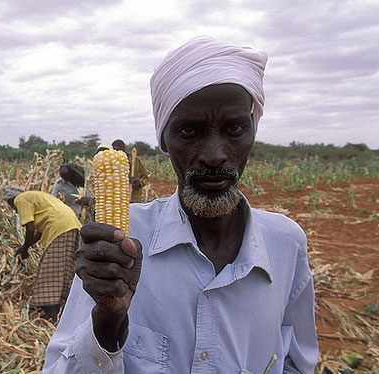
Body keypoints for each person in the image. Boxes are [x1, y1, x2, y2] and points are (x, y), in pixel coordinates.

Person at [44, 36, 319, 373]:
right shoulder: (120, 242)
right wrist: (107, 320)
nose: (215, 155)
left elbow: (297, 364)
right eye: (190, 131)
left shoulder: (286, 245)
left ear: (252, 132)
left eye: (234, 128)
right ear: (165, 140)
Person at [3, 187, 82, 322]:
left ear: (10, 201)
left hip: (60, 227)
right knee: (63, 270)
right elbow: (39, 233)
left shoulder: (20, 199)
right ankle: (61, 307)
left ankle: (51, 312)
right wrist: (25, 247)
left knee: (50, 271)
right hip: (71, 225)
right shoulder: (36, 197)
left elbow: (30, 229)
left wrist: (24, 250)